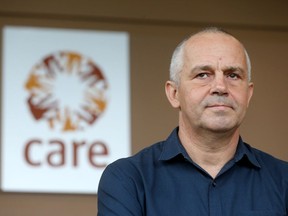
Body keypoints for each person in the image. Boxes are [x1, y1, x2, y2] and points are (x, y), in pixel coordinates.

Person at [97, 27, 288, 215]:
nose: (220, 87)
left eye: (233, 75)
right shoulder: (128, 179)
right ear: (174, 93)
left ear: (248, 94)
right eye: (203, 74)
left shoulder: (283, 180)